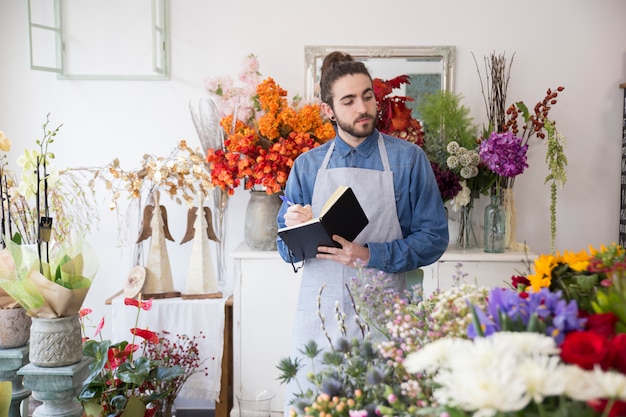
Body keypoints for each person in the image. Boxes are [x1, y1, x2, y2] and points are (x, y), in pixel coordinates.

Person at [276, 51, 448, 413]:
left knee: (387, 406)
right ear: (329, 110)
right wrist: (294, 228)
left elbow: (434, 237)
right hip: (320, 320)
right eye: (349, 100)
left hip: (386, 316)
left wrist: (370, 255)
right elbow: (285, 249)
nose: (363, 107)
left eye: (367, 95)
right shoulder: (306, 166)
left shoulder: (409, 160)